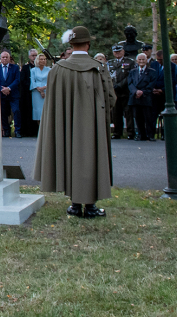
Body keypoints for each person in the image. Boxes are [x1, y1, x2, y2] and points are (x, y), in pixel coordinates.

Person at [33, 26, 116, 218]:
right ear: (88, 44)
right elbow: (110, 98)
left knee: (69, 156)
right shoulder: (98, 67)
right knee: (91, 157)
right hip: (92, 123)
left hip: (66, 123)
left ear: (71, 44)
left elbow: (52, 104)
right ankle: (91, 206)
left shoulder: (57, 70)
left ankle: (75, 204)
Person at [128, 52, 158, 141]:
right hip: (135, 97)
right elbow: (130, 83)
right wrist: (135, 91)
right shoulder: (132, 72)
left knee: (148, 117)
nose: (141, 61)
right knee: (137, 117)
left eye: (143, 59)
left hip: (146, 97)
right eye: (140, 59)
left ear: (146, 60)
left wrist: (142, 92)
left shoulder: (152, 72)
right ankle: (141, 135)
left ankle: (150, 135)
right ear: (137, 61)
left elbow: (151, 84)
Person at [108, 44, 135, 140]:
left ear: (123, 51)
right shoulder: (110, 63)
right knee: (116, 113)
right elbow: (108, 76)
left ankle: (131, 132)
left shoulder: (130, 62)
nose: (117, 53)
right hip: (114, 91)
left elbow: (130, 76)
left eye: (119, 51)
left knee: (128, 113)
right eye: (115, 52)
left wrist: (120, 85)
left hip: (125, 91)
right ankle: (117, 132)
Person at [0, 50, 22, 138]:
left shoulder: (15, 67)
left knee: (16, 111)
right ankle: (6, 130)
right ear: (0, 59)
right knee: (3, 113)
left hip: (13, 94)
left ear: (9, 58)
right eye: (3, 57)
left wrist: (8, 88)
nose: (5, 59)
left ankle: (17, 131)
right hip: (2, 94)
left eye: (6, 57)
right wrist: (2, 89)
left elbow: (17, 80)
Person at [19, 49, 39, 137]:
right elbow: (23, 81)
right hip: (28, 93)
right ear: (29, 56)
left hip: (39, 92)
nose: (34, 57)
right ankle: (28, 131)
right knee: (28, 111)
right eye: (33, 55)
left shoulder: (40, 67)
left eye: (36, 55)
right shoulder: (26, 68)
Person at [29, 53, 50, 134]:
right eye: (41, 59)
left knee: (45, 110)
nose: (43, 61)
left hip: (46, 91)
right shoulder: (33, 70)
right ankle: (40, 130)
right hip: (36, 92)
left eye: (44, 59)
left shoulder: (49, 70)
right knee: (37, 111)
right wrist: (40, 90)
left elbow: (50, 81)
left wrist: (44, 88)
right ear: (38, 60)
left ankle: (46, 130)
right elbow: (33, 81)